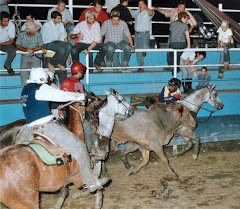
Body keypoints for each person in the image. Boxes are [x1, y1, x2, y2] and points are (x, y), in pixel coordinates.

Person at [17, 67, 109, 193]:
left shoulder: (25, 90)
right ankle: (91, 181)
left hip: (29, 129)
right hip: (47, 128)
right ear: (42, 78)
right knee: (80, 147)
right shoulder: (40, 88)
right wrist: (79, 96)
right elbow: (61, 95)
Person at [152, 0, 197, 70]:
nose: (183, 9)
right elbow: (165, 12)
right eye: (182, 7)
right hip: (173, 34)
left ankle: (178, 66)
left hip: (182, 34)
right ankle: (170, 65)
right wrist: (156, 9)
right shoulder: (173, 11)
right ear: (178, 6)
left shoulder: (186, 13)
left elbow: (194, 22)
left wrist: (189, 30)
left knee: (180, 51)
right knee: (170, 49)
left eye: (184, 7)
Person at [130, 0, 154, 72]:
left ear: (145, 5)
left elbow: (151, 13)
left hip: (145, 33)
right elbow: (130, 13)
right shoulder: (136, 12)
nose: (139, 5)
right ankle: (140, 66)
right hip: (137, 34)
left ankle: (145, 49)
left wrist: (146, 7)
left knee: (145, 47)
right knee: (138, 50)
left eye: (141, 4)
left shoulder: (148, 12)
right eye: (139, 4)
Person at [0, 11, 16, 75]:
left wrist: (0, 44)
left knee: (13, 50)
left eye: (7, 21)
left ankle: (7, 64)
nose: (7, 23)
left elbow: (11, 41)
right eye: (5, 21)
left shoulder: (11, 25)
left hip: (6, 44)